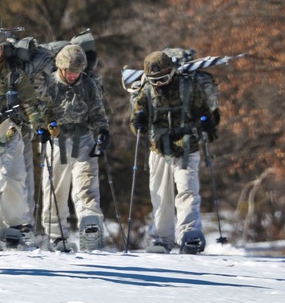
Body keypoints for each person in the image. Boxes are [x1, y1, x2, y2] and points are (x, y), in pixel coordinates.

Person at [129, 50, 218, 254]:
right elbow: (135, 120)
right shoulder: (146, 91)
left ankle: (190, 234)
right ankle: (162, 238)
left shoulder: (188, 86)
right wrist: (138, 122)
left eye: (163, 78)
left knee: (187, 190)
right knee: (160, 194)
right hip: (159, 148)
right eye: (154, 79)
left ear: (171, 72)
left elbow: (203, 110)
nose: (159, 83)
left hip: (187, 145)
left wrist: (206, 121)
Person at [0, 28, 54, 246]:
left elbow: (30, 101)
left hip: (9, 132)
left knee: (10, 178)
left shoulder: (13, 72)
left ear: (3, 48)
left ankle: (16, 225)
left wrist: (40, 125)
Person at [39, 44, 110, 251]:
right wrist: (42, 128)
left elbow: (97, 111)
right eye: (69, 71)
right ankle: (56, 235)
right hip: (58, 140)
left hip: (84, 138)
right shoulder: (49, 83)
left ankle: (90, 225)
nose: (72, 76)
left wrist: (103, 131)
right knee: (55, 189)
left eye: (76, 72)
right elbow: (39, 110)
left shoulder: (88, 84)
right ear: (61, 68)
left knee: (86, 185)